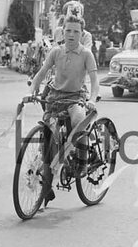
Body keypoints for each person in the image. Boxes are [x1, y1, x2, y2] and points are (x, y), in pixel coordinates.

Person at [28, 11, 101, 203]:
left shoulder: (86, 54)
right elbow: (42, 72)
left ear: (81, 34)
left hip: (76, 96)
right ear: (63, 32)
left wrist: (92, 98)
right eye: (68, 30)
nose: (71, 35)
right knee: (47, 136)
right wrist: (33, 89)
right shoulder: (56, 51)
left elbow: (94, 80)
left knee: (78, 121)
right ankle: (48, 176)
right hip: (55, 97)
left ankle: (82, 161)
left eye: (76, 32)